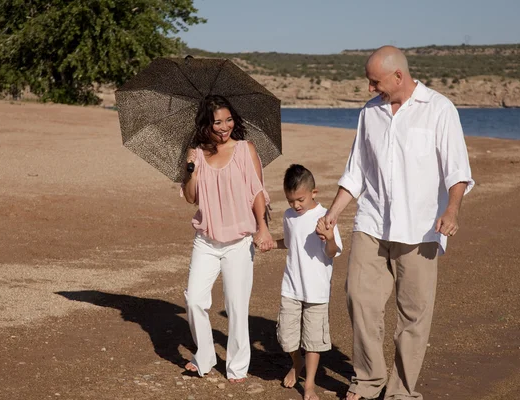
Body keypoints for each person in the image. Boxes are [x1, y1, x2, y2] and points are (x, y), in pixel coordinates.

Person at [318, 46, 475, 400]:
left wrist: (452, 211)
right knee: (359, 298)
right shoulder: (369, 113)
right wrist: (333, 211)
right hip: (372, 222)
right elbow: (357, 170)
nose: (370, 89)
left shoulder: (439, 109)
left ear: (398, 76)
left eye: (375, 82)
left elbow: (457, 171)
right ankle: (368, 379)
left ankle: (402, 391)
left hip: (421, 228)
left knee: (413, 314)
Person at [181, 94, 273, 383]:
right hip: (206, 241)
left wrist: (263, 228)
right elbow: (190, 197)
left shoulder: (246, 149)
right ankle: (205, 356)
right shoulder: (195, 154)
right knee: (194, 300)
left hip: (239, 242)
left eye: (228, 120)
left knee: (236, 305)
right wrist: (192, 168)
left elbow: (257, 191)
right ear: (205, 125)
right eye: (217, 122)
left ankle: (237, 367)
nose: (224, 127)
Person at [270, 164, 342, 400]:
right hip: (291, 286)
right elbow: (290, 242)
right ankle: (296, 362)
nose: (295, 205)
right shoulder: (289, 217)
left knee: (313, 340)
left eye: (299, 199)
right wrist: (271, 243)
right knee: (286, 337)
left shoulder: (325, 218)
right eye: (291, 201)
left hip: (317, 291)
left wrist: (329, 237)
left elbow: (332, 252)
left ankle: (309, 384)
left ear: (314, 192)